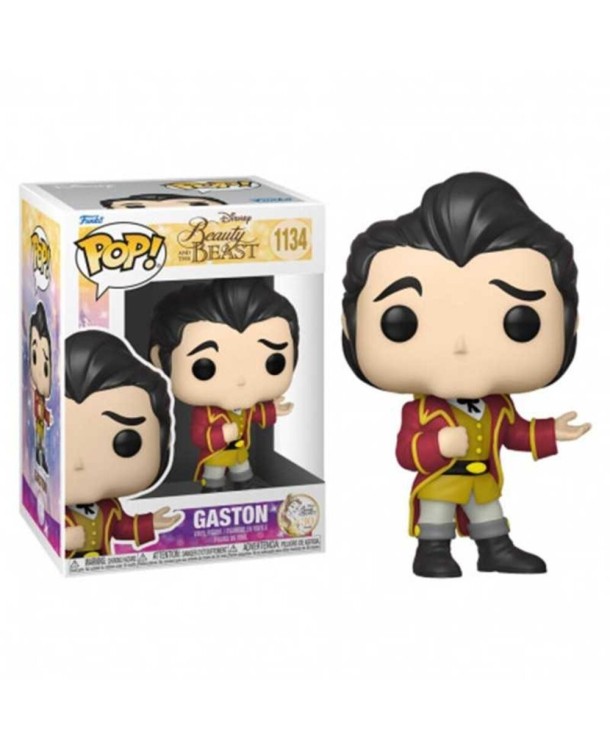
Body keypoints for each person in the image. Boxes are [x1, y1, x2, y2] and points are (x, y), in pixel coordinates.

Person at [342, 172, 590, 577]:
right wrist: (438, 443)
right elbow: (406, 452)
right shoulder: (420, 412)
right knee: (437, 517)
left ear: (570, 325)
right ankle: (432, 551)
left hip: (482, 477)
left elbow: (513, 432)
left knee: (489, 513)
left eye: (520, 322)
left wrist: (549, 431)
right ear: (350, 327)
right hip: (441, 481)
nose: (459, 345)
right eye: (401, 322)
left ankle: (495, 550)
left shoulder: (498, 406)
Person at [149, 278, 298, 490]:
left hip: (239, 451)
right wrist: (222, 434)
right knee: (214, 478)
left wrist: (271, 410)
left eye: (273, 363)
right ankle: (213, 491)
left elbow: (254, 414)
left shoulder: (244, 406)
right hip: (216, 455)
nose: (241, 380)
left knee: (243, 473)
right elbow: (198, 436)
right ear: (159, 360)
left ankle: (244, 489)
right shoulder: (206, 413)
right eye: (204, 367)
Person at [64, 329, 181, 558]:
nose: (79, 463)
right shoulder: (56, 509)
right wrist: (64, 538)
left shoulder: (110, 508)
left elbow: (122, 528)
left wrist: (150, 523)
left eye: (126, 443)